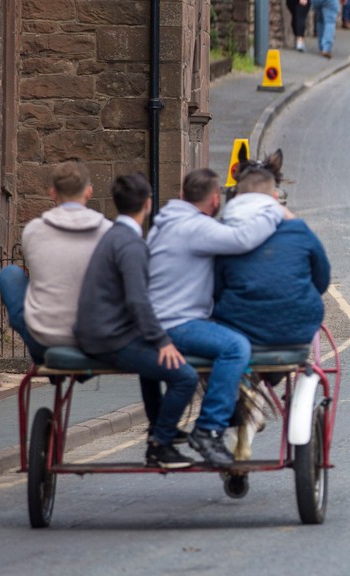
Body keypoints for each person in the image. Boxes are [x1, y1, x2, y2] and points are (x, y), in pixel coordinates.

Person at [147, 168, 287, 468]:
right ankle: (208, 429)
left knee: (226, 339)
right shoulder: (195, 227)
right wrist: (273, 210)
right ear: (214, 199)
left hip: (160, 319)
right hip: (177, 324)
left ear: (183, 194)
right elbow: (242, 239)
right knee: (236, 347)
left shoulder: (166, 221)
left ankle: (212, 417)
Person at [75, 173, 198, 470]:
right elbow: (138, 301)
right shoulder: (131, 245)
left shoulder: (112, 236)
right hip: (110, 340)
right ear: (147, 203)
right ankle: (160, 445)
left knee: (152, 369)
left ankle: (159, 425)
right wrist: (162, 341)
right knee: (186, 377)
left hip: (95, 331)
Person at [0, 161, 112, 364]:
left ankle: (39, 354)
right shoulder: (109, 231)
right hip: (94, 337)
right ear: (89, 192)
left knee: (9, 274)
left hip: (46, 338)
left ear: (52, 193)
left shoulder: (33, 231)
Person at [213, 168, 331, 346]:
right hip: (298, 328)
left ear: (237, 197)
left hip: (239, 329)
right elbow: (321, 280)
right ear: (275, 199)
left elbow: (214, 288)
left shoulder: (225, 234)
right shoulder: (300, 230)